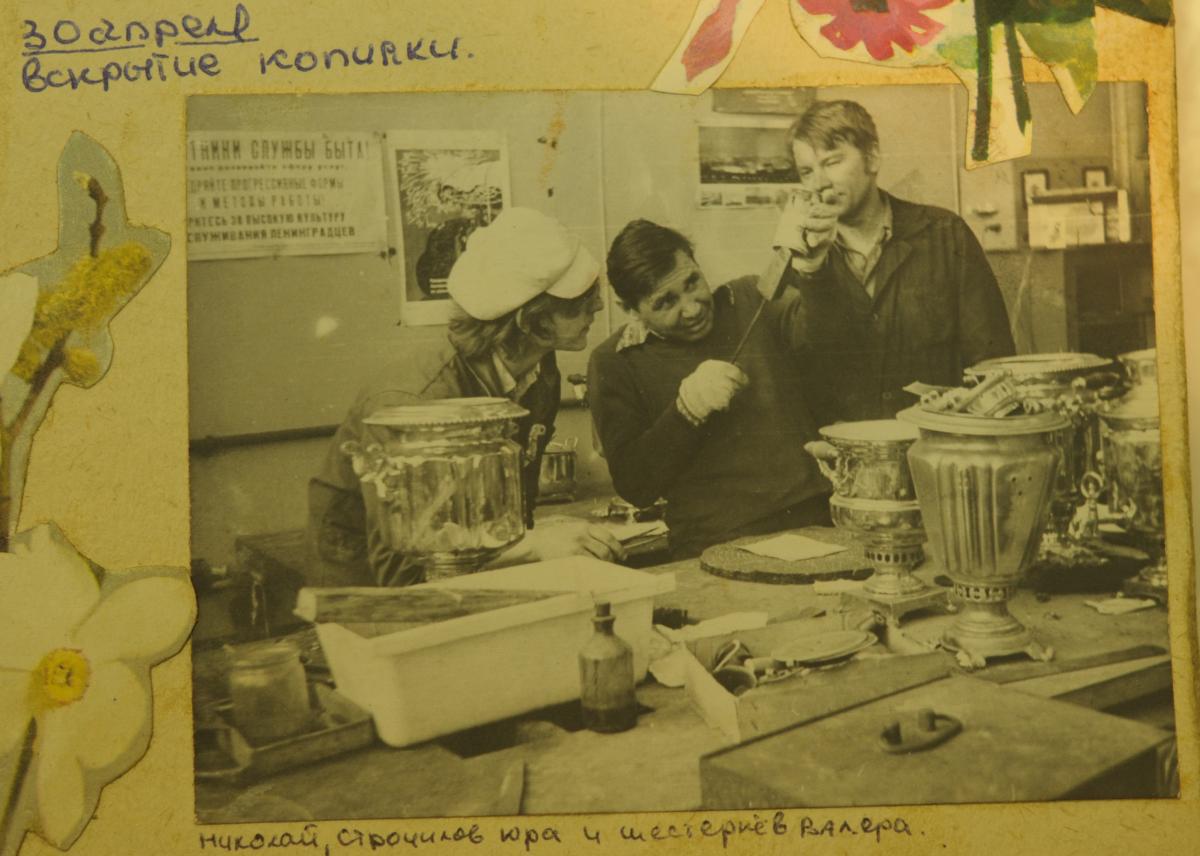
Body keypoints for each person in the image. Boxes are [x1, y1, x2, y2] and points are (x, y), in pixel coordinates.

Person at [309, 207, 624, 587]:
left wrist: (538, 536)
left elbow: (505, 514)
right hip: (368, 587)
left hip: (465, 573)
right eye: (579, 302)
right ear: (531, 323)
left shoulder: (539, 371)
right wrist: (534, 546)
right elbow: (404, 574)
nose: (598, 307)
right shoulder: (416, 404)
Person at [588, 219, 830, 559]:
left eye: (692, 282)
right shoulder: (615, 362)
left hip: (814, 518)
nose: (692, 307)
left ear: (697, 263)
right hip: (713, 541)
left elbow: (831, 342)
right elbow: (636, 486)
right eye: (666, 302)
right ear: (630, 310)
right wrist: (686, 412)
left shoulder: (750, 297)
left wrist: (817, 275)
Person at [765, 99, 1016, 425]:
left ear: (872, 158)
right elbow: (805, 370)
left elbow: (993, 362)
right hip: (848, 446)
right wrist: (813, 271)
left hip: (939, 439)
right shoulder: (799, 257)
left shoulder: (945, 233)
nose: (819, 183)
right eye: (807, 171)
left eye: (832, 162)